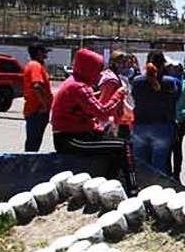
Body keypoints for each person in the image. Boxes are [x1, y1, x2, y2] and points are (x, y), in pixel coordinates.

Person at [51, 48, 136, 193]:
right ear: (89, 68)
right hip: (70, 138)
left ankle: (109, 182)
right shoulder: (78, 87)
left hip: (77, 133)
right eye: (97, 69)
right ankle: (131, 189)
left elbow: (87, 105)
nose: (99, 74)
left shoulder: (75, 83)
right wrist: (118, 94)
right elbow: (102, 113)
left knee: (115, 147)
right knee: (123, 146)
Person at [130, 50, 180, 176]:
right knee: (159, 166)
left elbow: (134, 100)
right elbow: (174, 101)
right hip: (162, 126)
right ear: (163, 64)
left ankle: (141, 190)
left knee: (140, 165)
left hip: (140, 125)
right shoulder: (170, 82)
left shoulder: (136, 81)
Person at [22, 42, 52, 152]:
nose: (46, 56)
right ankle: (28, 166)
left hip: (35, 110)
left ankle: (28, 165)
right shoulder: (35, 66)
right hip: (37, 111)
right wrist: (44, 105)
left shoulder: (34, 65)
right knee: (33, 144)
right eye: (44, 53)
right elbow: (37, 86)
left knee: (33, 142)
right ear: (39, 53)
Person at [97, 51, 134, 139]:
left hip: (118, 120)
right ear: (114, 63)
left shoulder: (117, 77)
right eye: (123, 62)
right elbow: (104, 102)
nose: (126, 65)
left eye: (127, 62)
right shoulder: (111, 80)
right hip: (110, 123)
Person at [170, 64, 185, 183]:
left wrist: (180, 113)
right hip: (168, 120)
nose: (176, 72)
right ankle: (167, 172)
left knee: (177, 148)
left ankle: (176, 174)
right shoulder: (169, 83)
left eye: (178, 70)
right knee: (166, 148)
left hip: (179, 122)